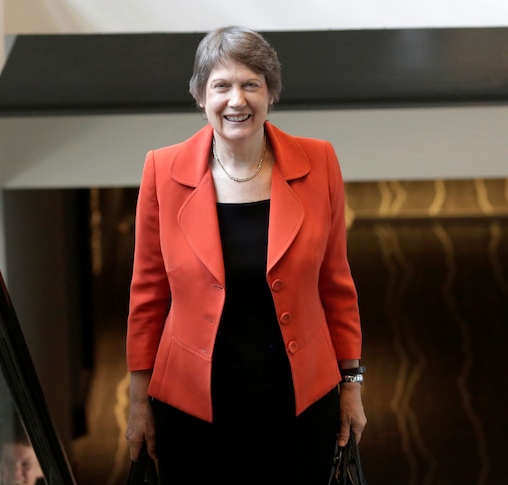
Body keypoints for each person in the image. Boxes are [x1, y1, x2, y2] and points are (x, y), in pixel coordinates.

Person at [124, 26, 367, 483]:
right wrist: (139, 404)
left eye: (250, 84)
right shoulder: (162, 171)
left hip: (300, 402)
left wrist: (351, 387)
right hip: (192, 408)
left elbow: (336, 284)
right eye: (222, 86)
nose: (237, 100)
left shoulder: (319, 163)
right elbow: (148, 295)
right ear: (200, 96)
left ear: (270, 93)